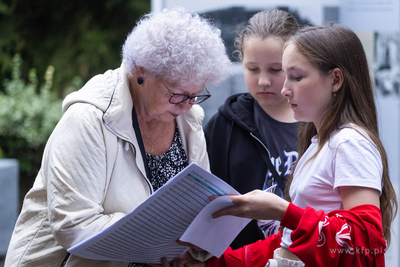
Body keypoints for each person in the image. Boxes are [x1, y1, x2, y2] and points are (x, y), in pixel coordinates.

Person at [4, 7, 231, 267]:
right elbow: (73, 225)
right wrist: (159, 241)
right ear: (141, 72)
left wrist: (193, 254)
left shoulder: (189, 120)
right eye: (178, 94)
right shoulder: (89, 119)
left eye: (196, 94)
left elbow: (198, 211)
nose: (187, 105)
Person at [206, 23, 398, 267]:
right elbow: (289, 242)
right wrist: (216, 263)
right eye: (285, 76)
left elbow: (366, 242)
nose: (285, 89)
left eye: (296, 77)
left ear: (336, 79)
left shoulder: (349, 142)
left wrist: (283, 212)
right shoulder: (321, 143)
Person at [204, 9, 300, 250]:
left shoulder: (321, 123)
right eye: (253, 69)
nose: (263, 81)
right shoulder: (224, 125)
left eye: (275, 69)